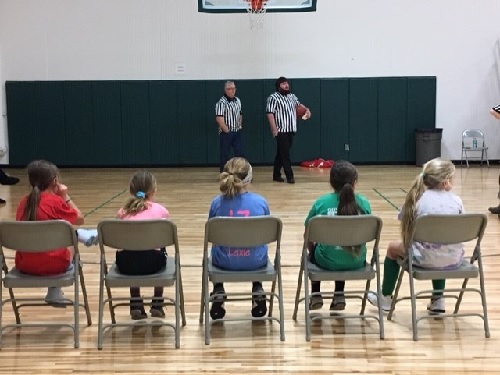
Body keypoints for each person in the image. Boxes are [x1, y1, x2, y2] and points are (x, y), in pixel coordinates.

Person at [368, 158, 464, 314]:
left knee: (393, 248)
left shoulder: (416, 200)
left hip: (423, 258)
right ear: (446, 181)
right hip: (453, 258)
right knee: (440, 244)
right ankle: (439, 299)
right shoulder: (457, 201)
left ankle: (385, 297)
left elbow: (403, 219)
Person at [15, 160, 84, 306]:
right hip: (55, 265)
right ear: (55, 181)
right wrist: (65, 197)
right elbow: (80, 218)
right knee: (73, 235)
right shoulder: (56, 201)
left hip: (24, 264)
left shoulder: (23, 203)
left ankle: (54, 291)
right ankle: (54, 289)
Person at [304, 160, 371, 311]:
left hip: (326, 260)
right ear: (355, 182)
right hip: (356, 260)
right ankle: (339, 294)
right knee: (345, 246)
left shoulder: (321, 203)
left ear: (331, 182)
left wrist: (312, 250)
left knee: (318, 250)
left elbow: (307, 235)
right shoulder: (364, 204)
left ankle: (315, 294)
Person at [208, 157, 270, 320]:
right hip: (255, 261)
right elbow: (266, 235)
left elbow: (212, 237)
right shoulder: (261, 202)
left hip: (224, 261)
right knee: (257, 245)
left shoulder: (216, 203)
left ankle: (218, 289)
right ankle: (257, 288)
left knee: (215, 249)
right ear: (249, 179)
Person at [115, 170, 170, 320]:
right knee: (160, 244)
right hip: (153, 263)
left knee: (131, 247)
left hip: (126, 265)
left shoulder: (122, 212)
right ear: (154, 190)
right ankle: (158, 301)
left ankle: (135, 301)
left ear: (131, 190)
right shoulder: (161, 211)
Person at [266, 76, 311, 184]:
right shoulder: (273, 97)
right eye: (283, 84)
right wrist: (274, 129)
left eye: (287, 83)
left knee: (281, 153)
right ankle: (290, 176)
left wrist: (307, 110)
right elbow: (270, 114)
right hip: (280, 130)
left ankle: (276, 174)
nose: (286, 85)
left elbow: (299, 106)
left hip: (291, 128)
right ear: (278, 86)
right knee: (285, 153)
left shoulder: (292, 96)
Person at [215, 80, 244, 173]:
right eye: (230, 89)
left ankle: (241, 173)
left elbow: (240, 113)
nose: (232, 91)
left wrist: (240, 125)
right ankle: (224, 174)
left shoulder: (238, 100)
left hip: (237, 131)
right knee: (225, 154)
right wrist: (226, 130)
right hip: (226, 132)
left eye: (234, 88)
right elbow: (219, 118)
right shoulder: (221, 102)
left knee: (240, 153)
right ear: (226, 90)